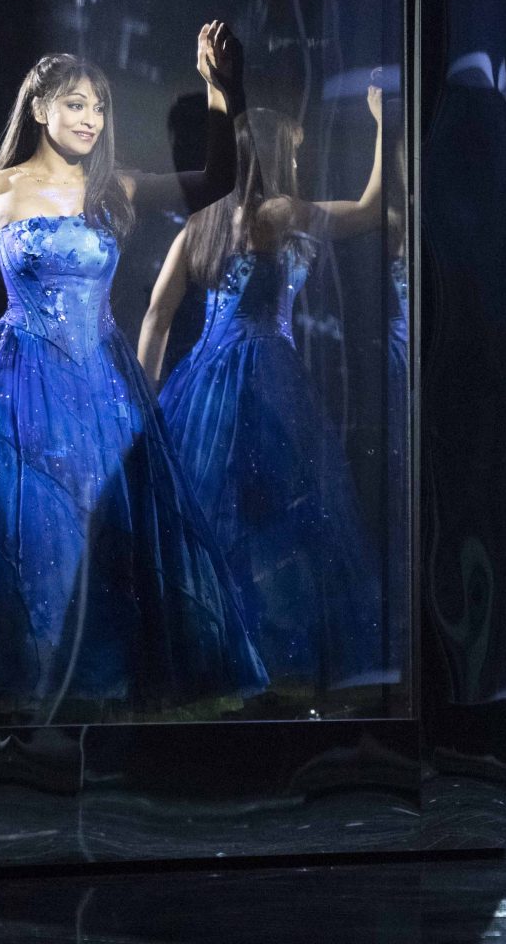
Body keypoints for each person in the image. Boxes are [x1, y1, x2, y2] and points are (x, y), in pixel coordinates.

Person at [0, 22, 269, 726]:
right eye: (76, 104)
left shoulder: (115, 187)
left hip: (102, 384)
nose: (91, 119)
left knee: (107, 530)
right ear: (39, 108)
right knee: (26, 530)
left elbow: (217, 183)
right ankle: (22, 687)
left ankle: (99, 688)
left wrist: (218, 91)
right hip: (15, 384)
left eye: (99, 108)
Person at [137, 87, 395, 710]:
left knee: (210, 518)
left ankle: (218, 656)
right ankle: (266, 662)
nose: (299, 164)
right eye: (294, 154)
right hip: (268, 380)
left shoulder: (200, 224)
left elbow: (156, 316)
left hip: (202, 384)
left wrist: (147, 397)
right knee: (277, 522)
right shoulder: (283, 212)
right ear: (276, 156)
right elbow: (368, 211)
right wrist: (385, 127)